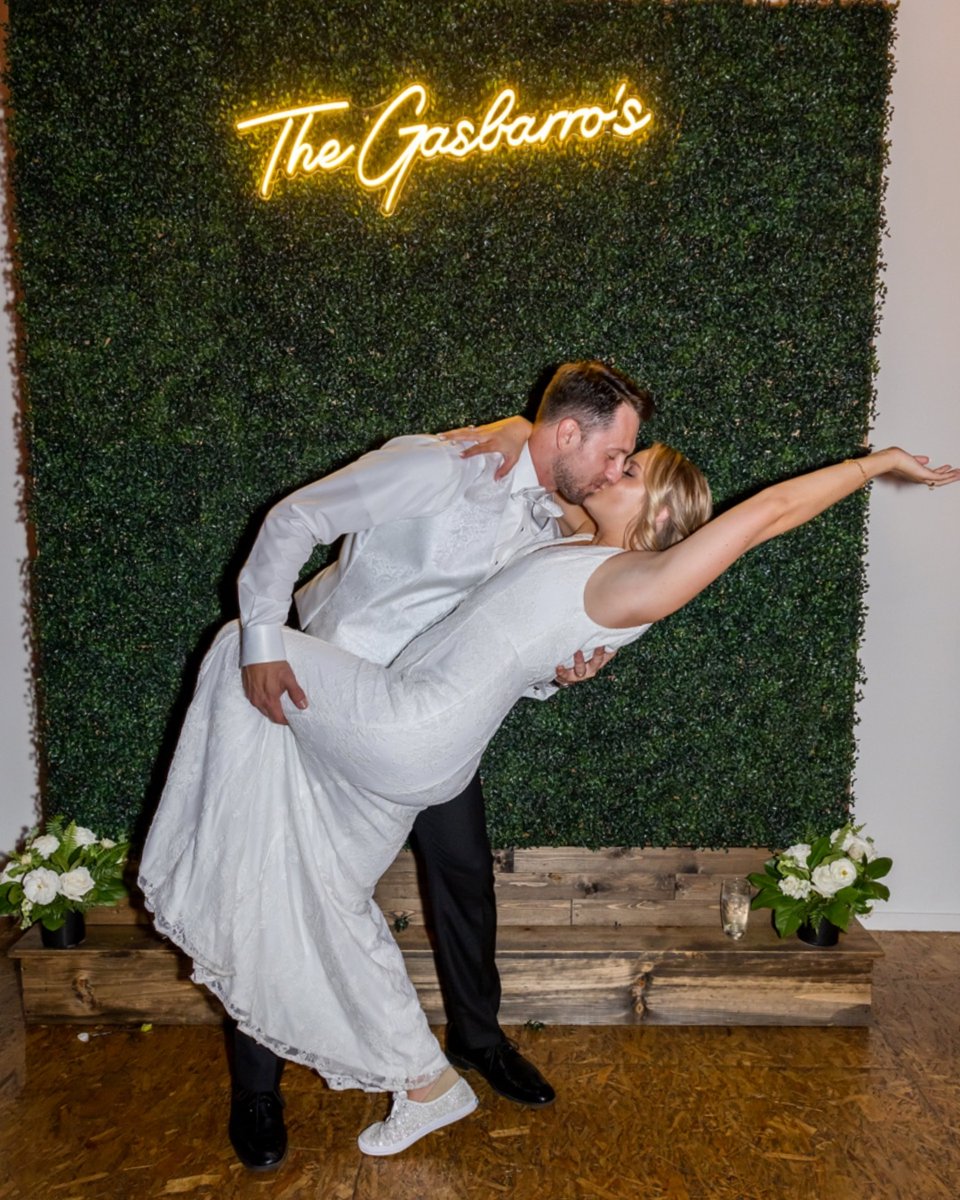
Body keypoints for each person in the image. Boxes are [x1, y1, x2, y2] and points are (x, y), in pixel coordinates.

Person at [139, 440, 958, 1160]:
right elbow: (550, 457)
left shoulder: (640, 579)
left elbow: (768, 515)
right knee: (323, 897)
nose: (613, 468)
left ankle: (200, 855)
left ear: (662, 513)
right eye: (618, 455)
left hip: (410, 726)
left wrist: (876, 464)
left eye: (631, 470)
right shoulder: (579, 545)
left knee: (242, 647)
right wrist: (506, 435)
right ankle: (425, 1084)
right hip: (420, 744)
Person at [215, 360, 654, 1167]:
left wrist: (554, 676)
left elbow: (503, 647)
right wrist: (263, 642)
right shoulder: (436, 466)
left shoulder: (556, 528)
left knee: (462, 874)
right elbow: (293, 519)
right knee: (279, 880)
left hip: (428, 728)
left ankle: (478, 1041)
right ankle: (256, 1086)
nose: (617, 469)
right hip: (321, 706)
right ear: (567, 432)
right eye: (614, 452)